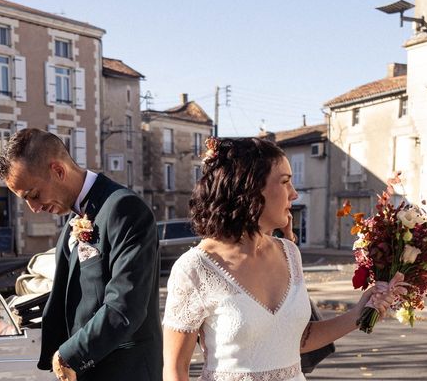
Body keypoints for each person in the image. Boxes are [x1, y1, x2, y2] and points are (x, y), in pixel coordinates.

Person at [162, 137, 400, 381]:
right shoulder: (195, 268)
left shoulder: (290, 253)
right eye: (285, 182)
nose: (294, 194)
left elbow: (297, 339)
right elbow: (175, 368)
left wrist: (359, 313)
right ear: (249, 188)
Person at [0, 128, 161, 381]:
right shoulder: (76, 217)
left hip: (124, 371)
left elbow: (126, 306)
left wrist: (71, 355)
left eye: (34, 195)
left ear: (58, 170)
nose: (35, 208)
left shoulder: (123, 208)